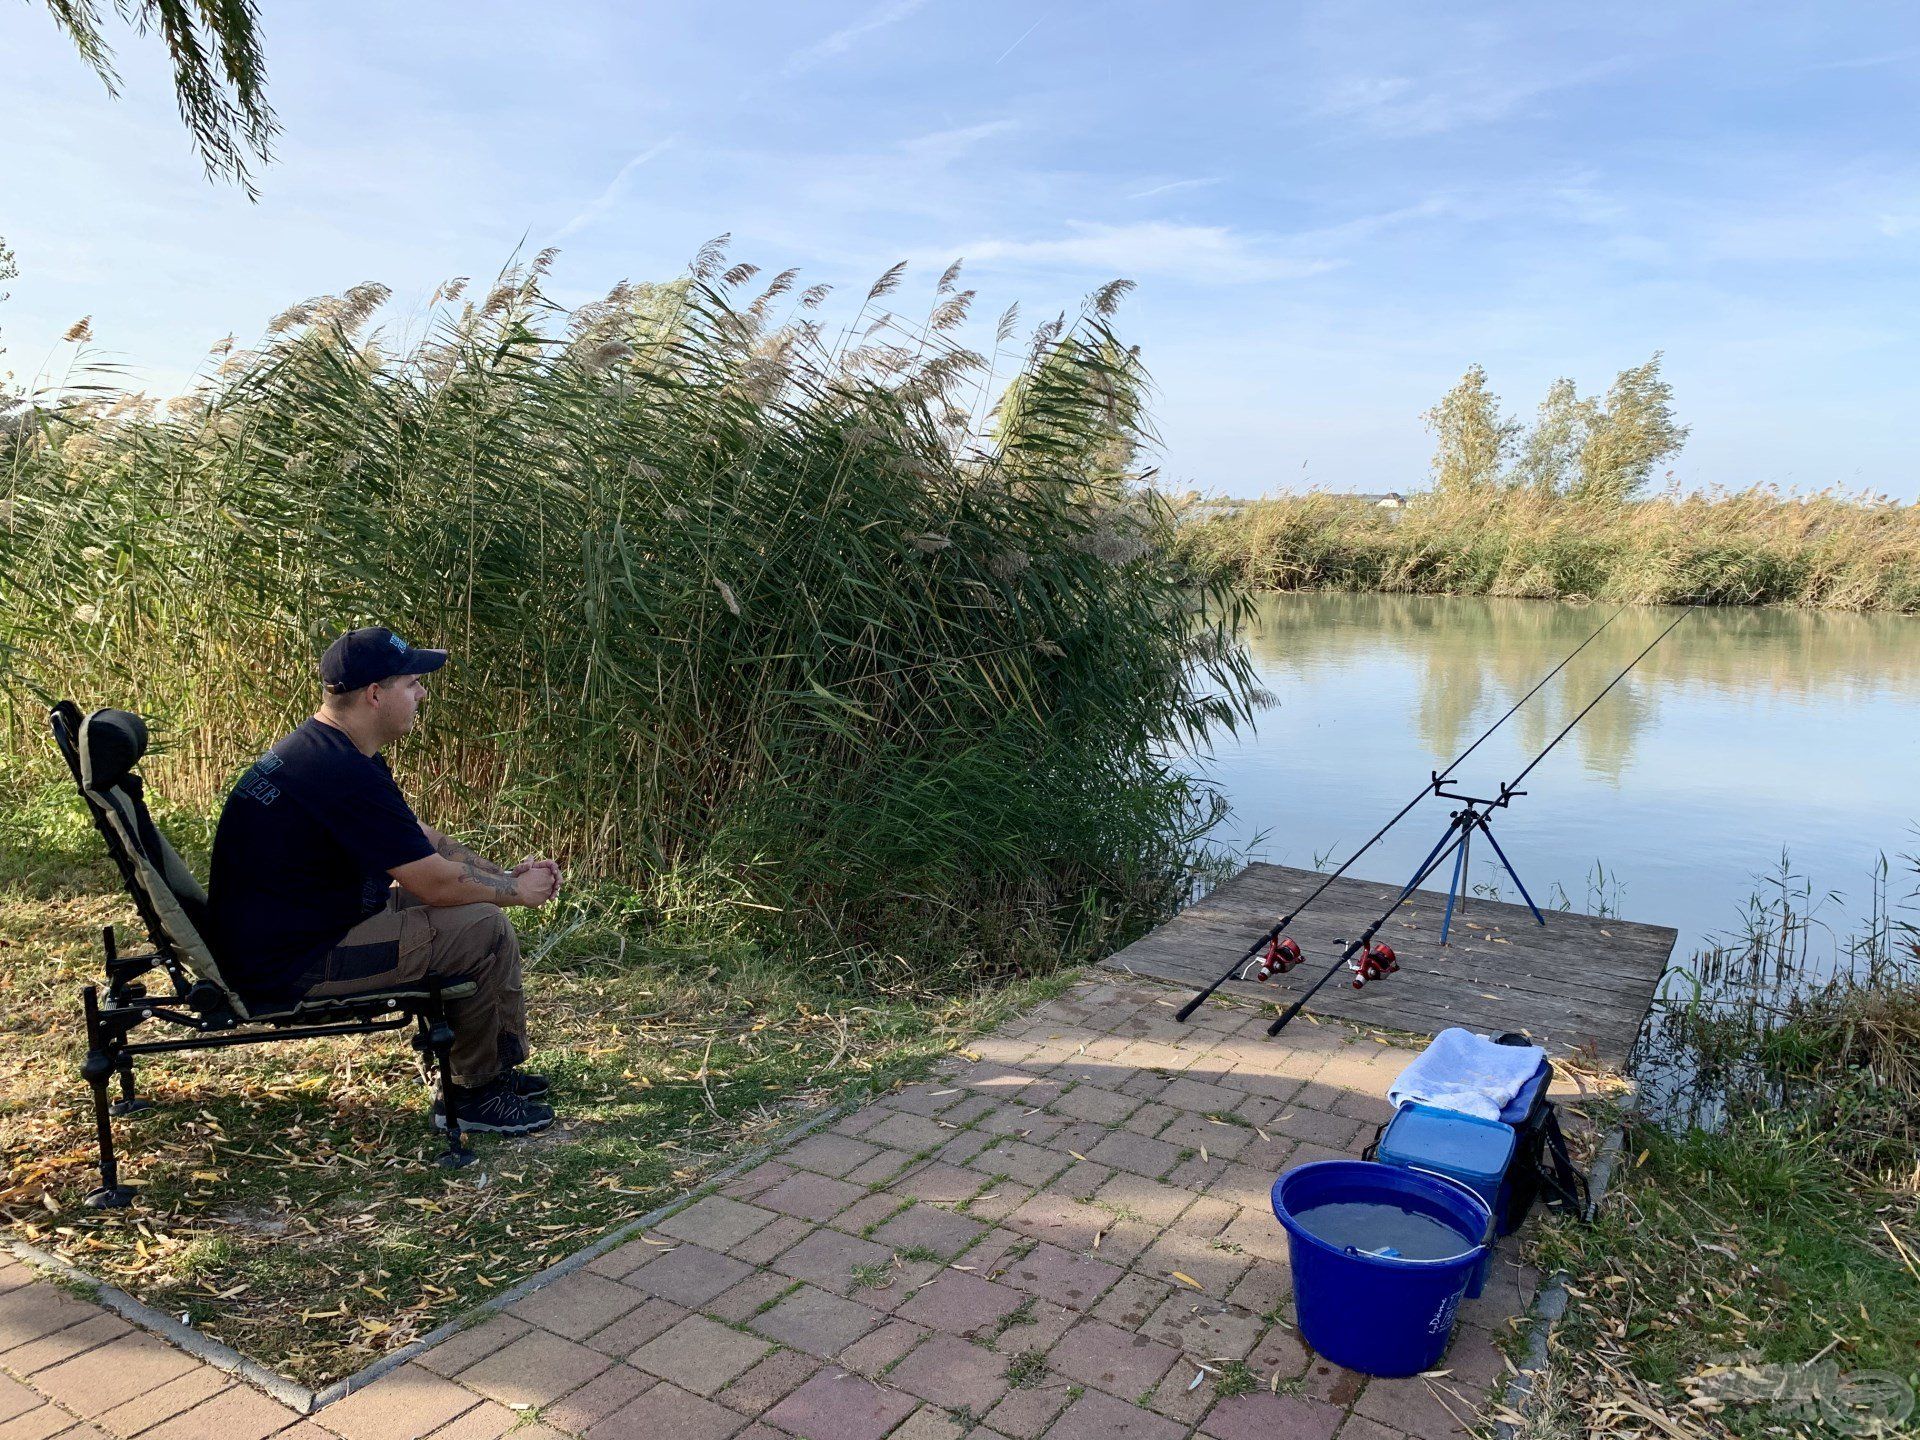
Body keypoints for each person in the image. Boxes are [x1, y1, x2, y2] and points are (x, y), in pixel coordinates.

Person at [207, 626, 562, 1136]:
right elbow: (437, 884)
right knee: (482, 927)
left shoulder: (331, 752)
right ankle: (471, 1093)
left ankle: (492, 1068)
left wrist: (502, 875)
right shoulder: (338, 772)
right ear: (376, 694)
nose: (422, 695)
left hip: (305, 928)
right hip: (294, 964)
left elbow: (422, 840)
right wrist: (516, 894)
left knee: (476, 908)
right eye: (413, 683)